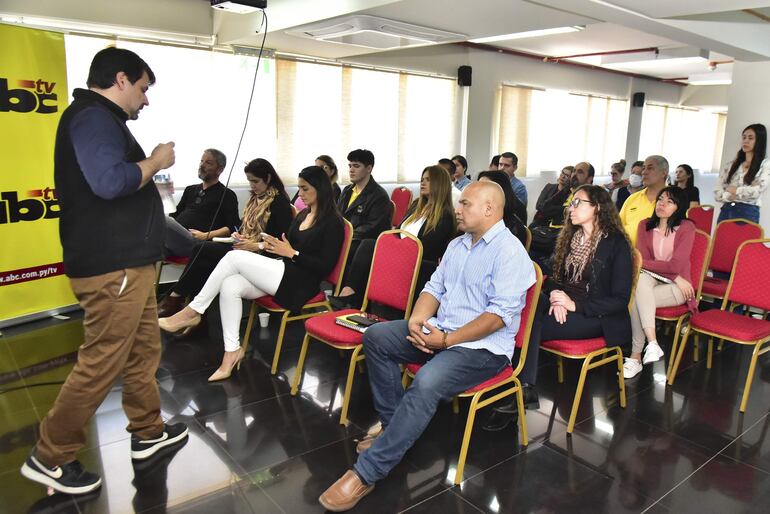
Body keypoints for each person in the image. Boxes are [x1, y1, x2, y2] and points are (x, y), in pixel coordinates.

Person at [21, 47, 187, 495]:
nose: (146, 100)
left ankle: (148, 432)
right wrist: (155, 161)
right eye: (143, 88)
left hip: (129, 265)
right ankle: (50, 456)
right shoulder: (93, 117)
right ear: (120, 79)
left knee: (142, 349)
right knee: (102, 360)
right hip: (115, 267)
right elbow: (109, 182)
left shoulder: (101, 120)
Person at [318, 182, 535, 511]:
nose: (457, 209)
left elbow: (498, 317)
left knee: (428, 380)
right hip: (442, 332)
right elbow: (433, 287)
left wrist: (447, 340)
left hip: (483, 351)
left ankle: (367, 473)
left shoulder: (510, 252)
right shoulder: (458, 245)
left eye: (465, 204)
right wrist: (419, 320)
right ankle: (395, 429)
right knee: (377, 338)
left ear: (490, 209)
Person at [159, 166, 344, 382]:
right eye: (300, 188)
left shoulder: (334, 222)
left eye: (305, 189)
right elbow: (288, 247)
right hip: (284, 270)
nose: (300, 194)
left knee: (232, 258)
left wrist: (292, 253)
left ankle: (193, 311)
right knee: (231, 285)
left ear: (320, 189)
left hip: (301, 283)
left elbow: (323, 267)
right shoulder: (304, 214)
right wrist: (272, 245)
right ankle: (231, 353)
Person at [485, 185, 633, 431]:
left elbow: (620, 299)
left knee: (532, 324)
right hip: (562, 302)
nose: (570, 208)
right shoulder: (570, 236)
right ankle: (519, 387)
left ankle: (520, 389)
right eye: (571, 202)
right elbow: (550, 275)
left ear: (597, 208)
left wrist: (574, 304)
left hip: (597, 314)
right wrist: (555, 294)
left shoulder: (616, 244)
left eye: (578, 203)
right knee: (526, 309)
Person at [157, 158, 293, 317]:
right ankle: (190, 310)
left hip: (263, 254)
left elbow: (280, 239)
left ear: (268, 178)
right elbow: (242, 226)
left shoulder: (279, 202)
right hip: (244, 247)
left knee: (203, 250)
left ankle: (179, 300)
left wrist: (256, 245)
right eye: (249, 181)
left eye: (255, 181)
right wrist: (238, 234)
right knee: (202, 252)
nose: (252, 186)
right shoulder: (255, 199)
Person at [329, 165, 456, 309]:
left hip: (418, 260)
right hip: (399, 253)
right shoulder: (416, 206)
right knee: (366, 245)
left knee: (368, 247)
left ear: (440, 183)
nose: (422, 183)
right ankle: (350, 293)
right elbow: (398, 230)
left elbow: (426, 247)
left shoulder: (445, 216)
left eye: (428, 180)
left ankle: (352, 296)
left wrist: (396, 250)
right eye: (422, 179)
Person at [623, 187, 696, 379]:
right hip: (658, 280)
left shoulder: (687, 227)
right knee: (640, 284)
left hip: (680, 287)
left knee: (638, 296)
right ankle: (652, 344)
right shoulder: (645, 225)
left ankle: (636, 354)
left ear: (679, 207)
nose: (662, 204)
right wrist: (671, 273)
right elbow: (643, 263)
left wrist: (674, 276)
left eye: (669, 201)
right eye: (661, 199)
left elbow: (675, 265)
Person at [164, 149, 239, 257]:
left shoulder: (227, 194)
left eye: (208, 163)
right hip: (176, 240)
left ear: (220, 169)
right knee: (146, 244)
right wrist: (167, 195)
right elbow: (174, 216)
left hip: (198, 243)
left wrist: (206, 235)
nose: (202, 165)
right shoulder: (190, 190)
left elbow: (233, 226)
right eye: (202, 161)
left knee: (162, 220)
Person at [528, 162, 594, 275]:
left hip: (569, 235)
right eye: (574, 171)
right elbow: (545, 207)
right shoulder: (567, 191)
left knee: (544, 259)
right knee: (529, 250)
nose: (574, 174)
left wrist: (562, 210)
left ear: (589, 179)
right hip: (551, 233)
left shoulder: (591, 196)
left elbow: (572, 216)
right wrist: (563, 208)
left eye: (580, 172)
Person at [338, 149, 392, 278]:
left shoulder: (379, 195)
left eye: (356, 166)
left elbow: (370, 228)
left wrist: (343, 238)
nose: (351, 170)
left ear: (369, 168)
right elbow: (337, 217)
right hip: (345, 239)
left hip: (362, 244)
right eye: (350, 166)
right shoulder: (347, 190)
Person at [714, 123, 769, 224]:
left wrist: (733, 189)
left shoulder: (765, 164)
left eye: (750, 138)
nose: (746, 141)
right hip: (726, 210)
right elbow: (717, 192)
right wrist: (731, 195)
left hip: (748, 213)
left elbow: (755, 193)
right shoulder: (731, 165)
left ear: (759, 140)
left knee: (745, 240)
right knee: (721, 240)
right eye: (744, 137)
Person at [619, 155, 669, 246]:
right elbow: (618, 227)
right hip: (626, 254)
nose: (644, 172)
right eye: (644, 168)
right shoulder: (632, 198)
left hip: (656, 257)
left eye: (650, 168)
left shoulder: (673, 200)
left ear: (664, 173)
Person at [477, 170, 528, 246]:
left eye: (484, 188)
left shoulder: (513, 225)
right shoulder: (479, 214)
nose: (477, 191)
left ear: (501, 190)